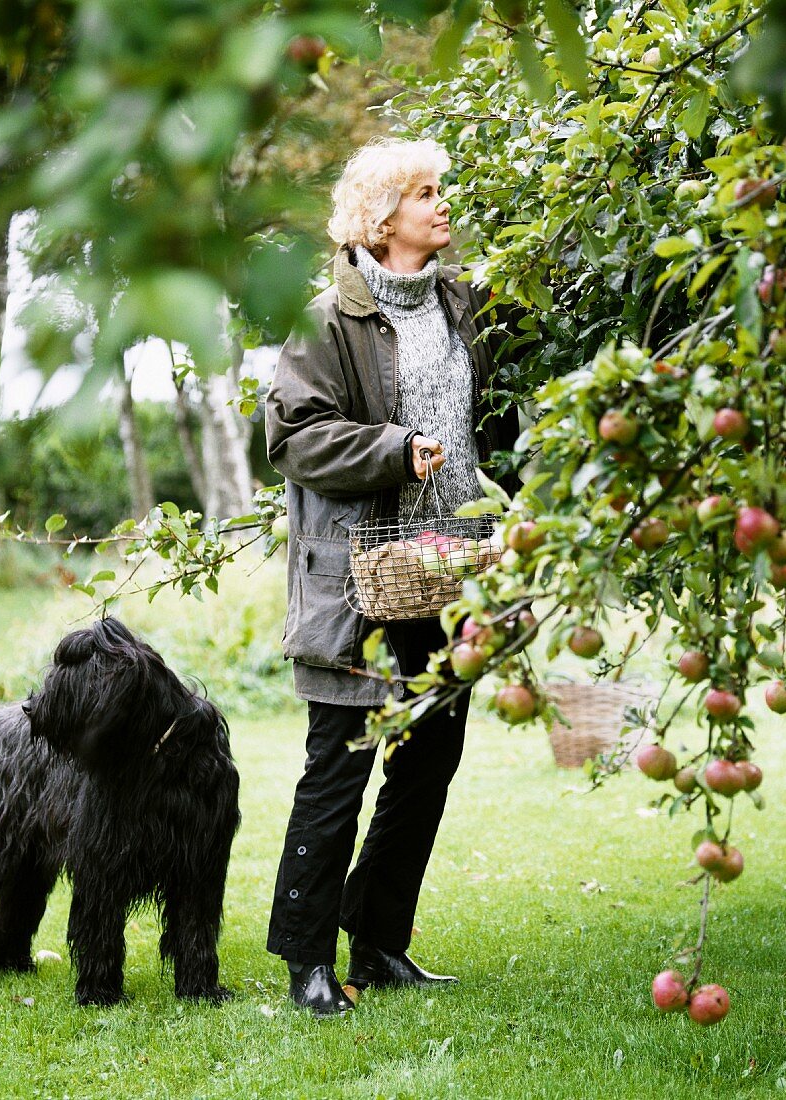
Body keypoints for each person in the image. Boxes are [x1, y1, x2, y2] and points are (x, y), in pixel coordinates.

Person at [264, 137, 521, 1018]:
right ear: (383, 215)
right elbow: (293, 436)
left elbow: (491, 421)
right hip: (360, 578)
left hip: (448, 575)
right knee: (340, 763)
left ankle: (377, 941)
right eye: (426, 193)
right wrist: (392, 451)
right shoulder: (327, 320)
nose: (444, 205)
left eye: (441, 190)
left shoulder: (463, 303)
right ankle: (305, 958)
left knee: (430, 757)